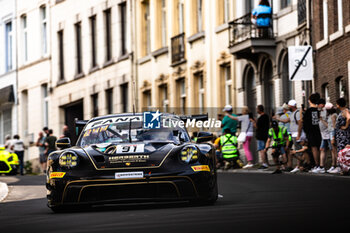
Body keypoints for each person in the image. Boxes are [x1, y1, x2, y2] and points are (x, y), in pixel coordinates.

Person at [302, 93, 322, 173]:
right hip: (319, 131)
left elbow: (305, 122)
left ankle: (316, 165)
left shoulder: (308, 111)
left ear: (310, 101)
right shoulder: (318, 110)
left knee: (314, 148)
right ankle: (321, 165)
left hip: (311, 132)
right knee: (320, 148)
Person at [321, 103, 339, 173]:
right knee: (333, 150)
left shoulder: (334, 115)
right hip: (330, 132)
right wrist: (322, 120)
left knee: (334, 150)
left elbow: (334, 127)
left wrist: (333, 137)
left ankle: (336, 165)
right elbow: (329, 126)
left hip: (332, 133)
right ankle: (334, 165)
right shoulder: (330, 116)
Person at [335, 98, 350, 174]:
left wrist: (345, 126)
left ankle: (344, 169)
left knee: (343, 151)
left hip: (343, 136)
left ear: (339, 104)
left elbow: (349, 118)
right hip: (341, 135)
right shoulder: (343, 111)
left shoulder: (345, 111)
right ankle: (344, 168)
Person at [253, 105, 270, 169]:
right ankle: (267, 162)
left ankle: (264, 163)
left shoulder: (261, 118)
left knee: (261, 150)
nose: (257, 110)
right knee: (264, 149)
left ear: (259, 110)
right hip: (265, 135)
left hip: (260, 136)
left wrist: (254, 122)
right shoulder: (266, 116)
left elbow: (257, 126)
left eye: (257, 109)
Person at [316, 98, 330, 174]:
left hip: (328, 133)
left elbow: (329, 123)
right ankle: (321, 166)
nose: (317, 106)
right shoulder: (320, 112)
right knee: (322, 149)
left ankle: (335, 165)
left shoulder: (326, 111)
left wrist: (321, 120)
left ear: (322, 104)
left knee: (332, 150)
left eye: (318, 104)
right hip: (323, 134)